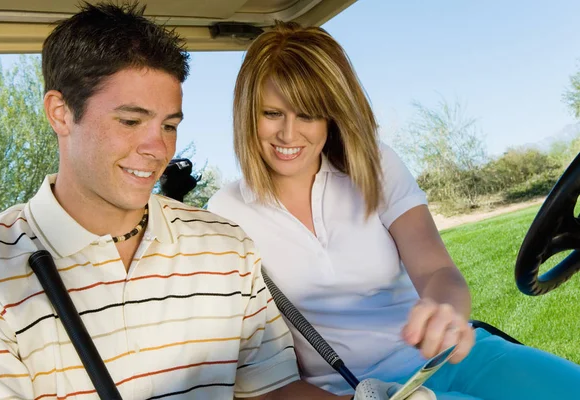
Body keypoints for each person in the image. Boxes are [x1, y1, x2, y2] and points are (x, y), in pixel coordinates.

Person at [0, 4, 361, 399]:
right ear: (60, 113)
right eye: (130, 121)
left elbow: (274, 392)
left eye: (169, 126)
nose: (157, 148)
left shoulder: (227, 246)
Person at [207, 21, 580, 399]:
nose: (288, 135)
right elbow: (254, 376)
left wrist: (444, 310)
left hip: (450, 360)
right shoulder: (226, 214)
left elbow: (436, 269)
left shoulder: (375, 164)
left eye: (307, 115)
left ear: (332, 116)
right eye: (272, 114)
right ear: (247, 114)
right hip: (353, 392)